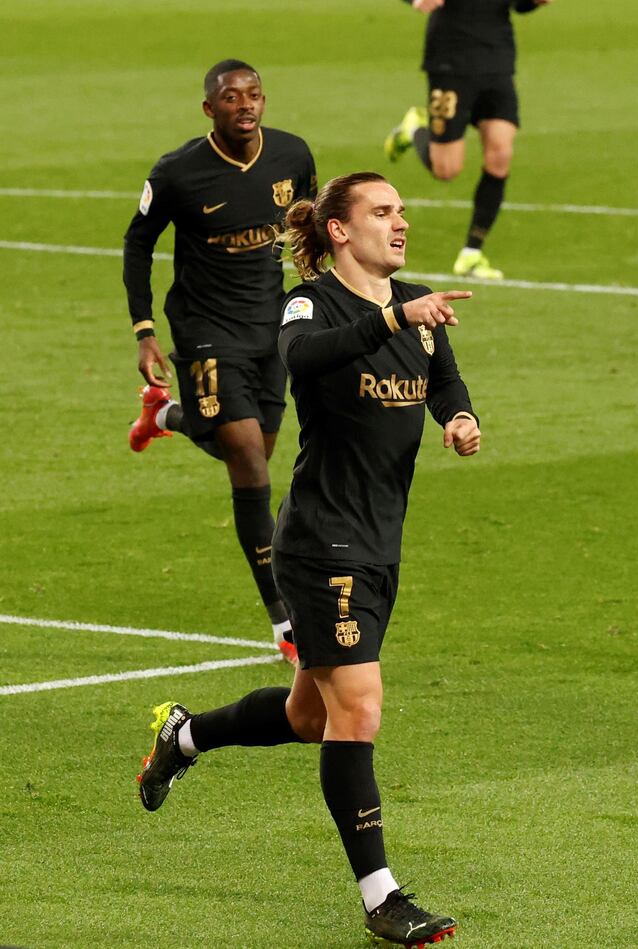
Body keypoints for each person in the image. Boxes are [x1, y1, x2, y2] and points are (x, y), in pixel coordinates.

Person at [136, 171, 481, 947]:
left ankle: (182, 738)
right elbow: (305, 359)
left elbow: (445, 383)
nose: (401, 221)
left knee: (308, 715)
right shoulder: (310, 303)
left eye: (402, 210)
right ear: (338, 230)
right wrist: (393, 314)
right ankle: (381, 896)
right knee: (358, 709)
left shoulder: (421, 308)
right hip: (320, 541)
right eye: (383, 211)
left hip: (379, 540)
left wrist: (459, 418)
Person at [123, 60, 317, 662]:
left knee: (251, 446)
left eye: (254, 95)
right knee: (252, 466)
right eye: (231, 98)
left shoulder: (292, 156)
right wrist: (145, 330)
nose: (246, 105)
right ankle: (283, 619)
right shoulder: (179, 172)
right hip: (206, 330)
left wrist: (320, 298)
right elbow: (138, 242)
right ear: (210, 109)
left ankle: (166, 416)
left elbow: (311, 229)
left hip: (271, 325)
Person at [384, 0, 554, 280]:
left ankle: (471, 253)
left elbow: (520, 5)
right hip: (450, 62)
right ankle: (414, 128)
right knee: (446, 170)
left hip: (497, 60)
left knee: (500, 154)